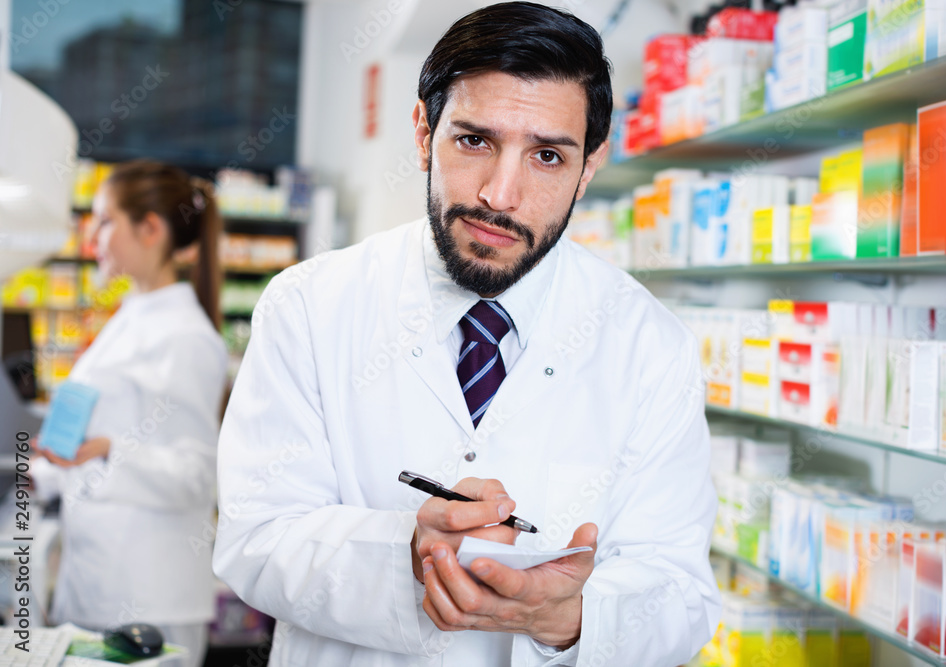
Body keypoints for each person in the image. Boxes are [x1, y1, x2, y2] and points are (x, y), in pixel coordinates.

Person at [213, 2, 719, 665]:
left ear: (588, 167)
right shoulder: (310, 305)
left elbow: (681, 594)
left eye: (546, 155)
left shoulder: (651, 347)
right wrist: (408, 558)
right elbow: (254, 535)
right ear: (425, 131)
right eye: (474, 140)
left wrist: (571, 618)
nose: (499, 194)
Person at [30, 160, 229, 667]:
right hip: (96, 580)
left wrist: (107, 452)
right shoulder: (127, 319)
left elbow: (196, 476)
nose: (93, 235)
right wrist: (49, 468)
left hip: (147, 596)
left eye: (103, 220)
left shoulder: (185, 337)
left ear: (150, 229)